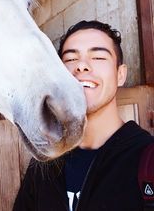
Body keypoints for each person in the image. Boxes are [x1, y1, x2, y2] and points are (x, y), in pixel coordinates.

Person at [13, 20, 154, 211]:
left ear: (120, 75)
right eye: (70, 59)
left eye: (98, 57)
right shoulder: (45, 165)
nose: (81, 66)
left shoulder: (147, 159)